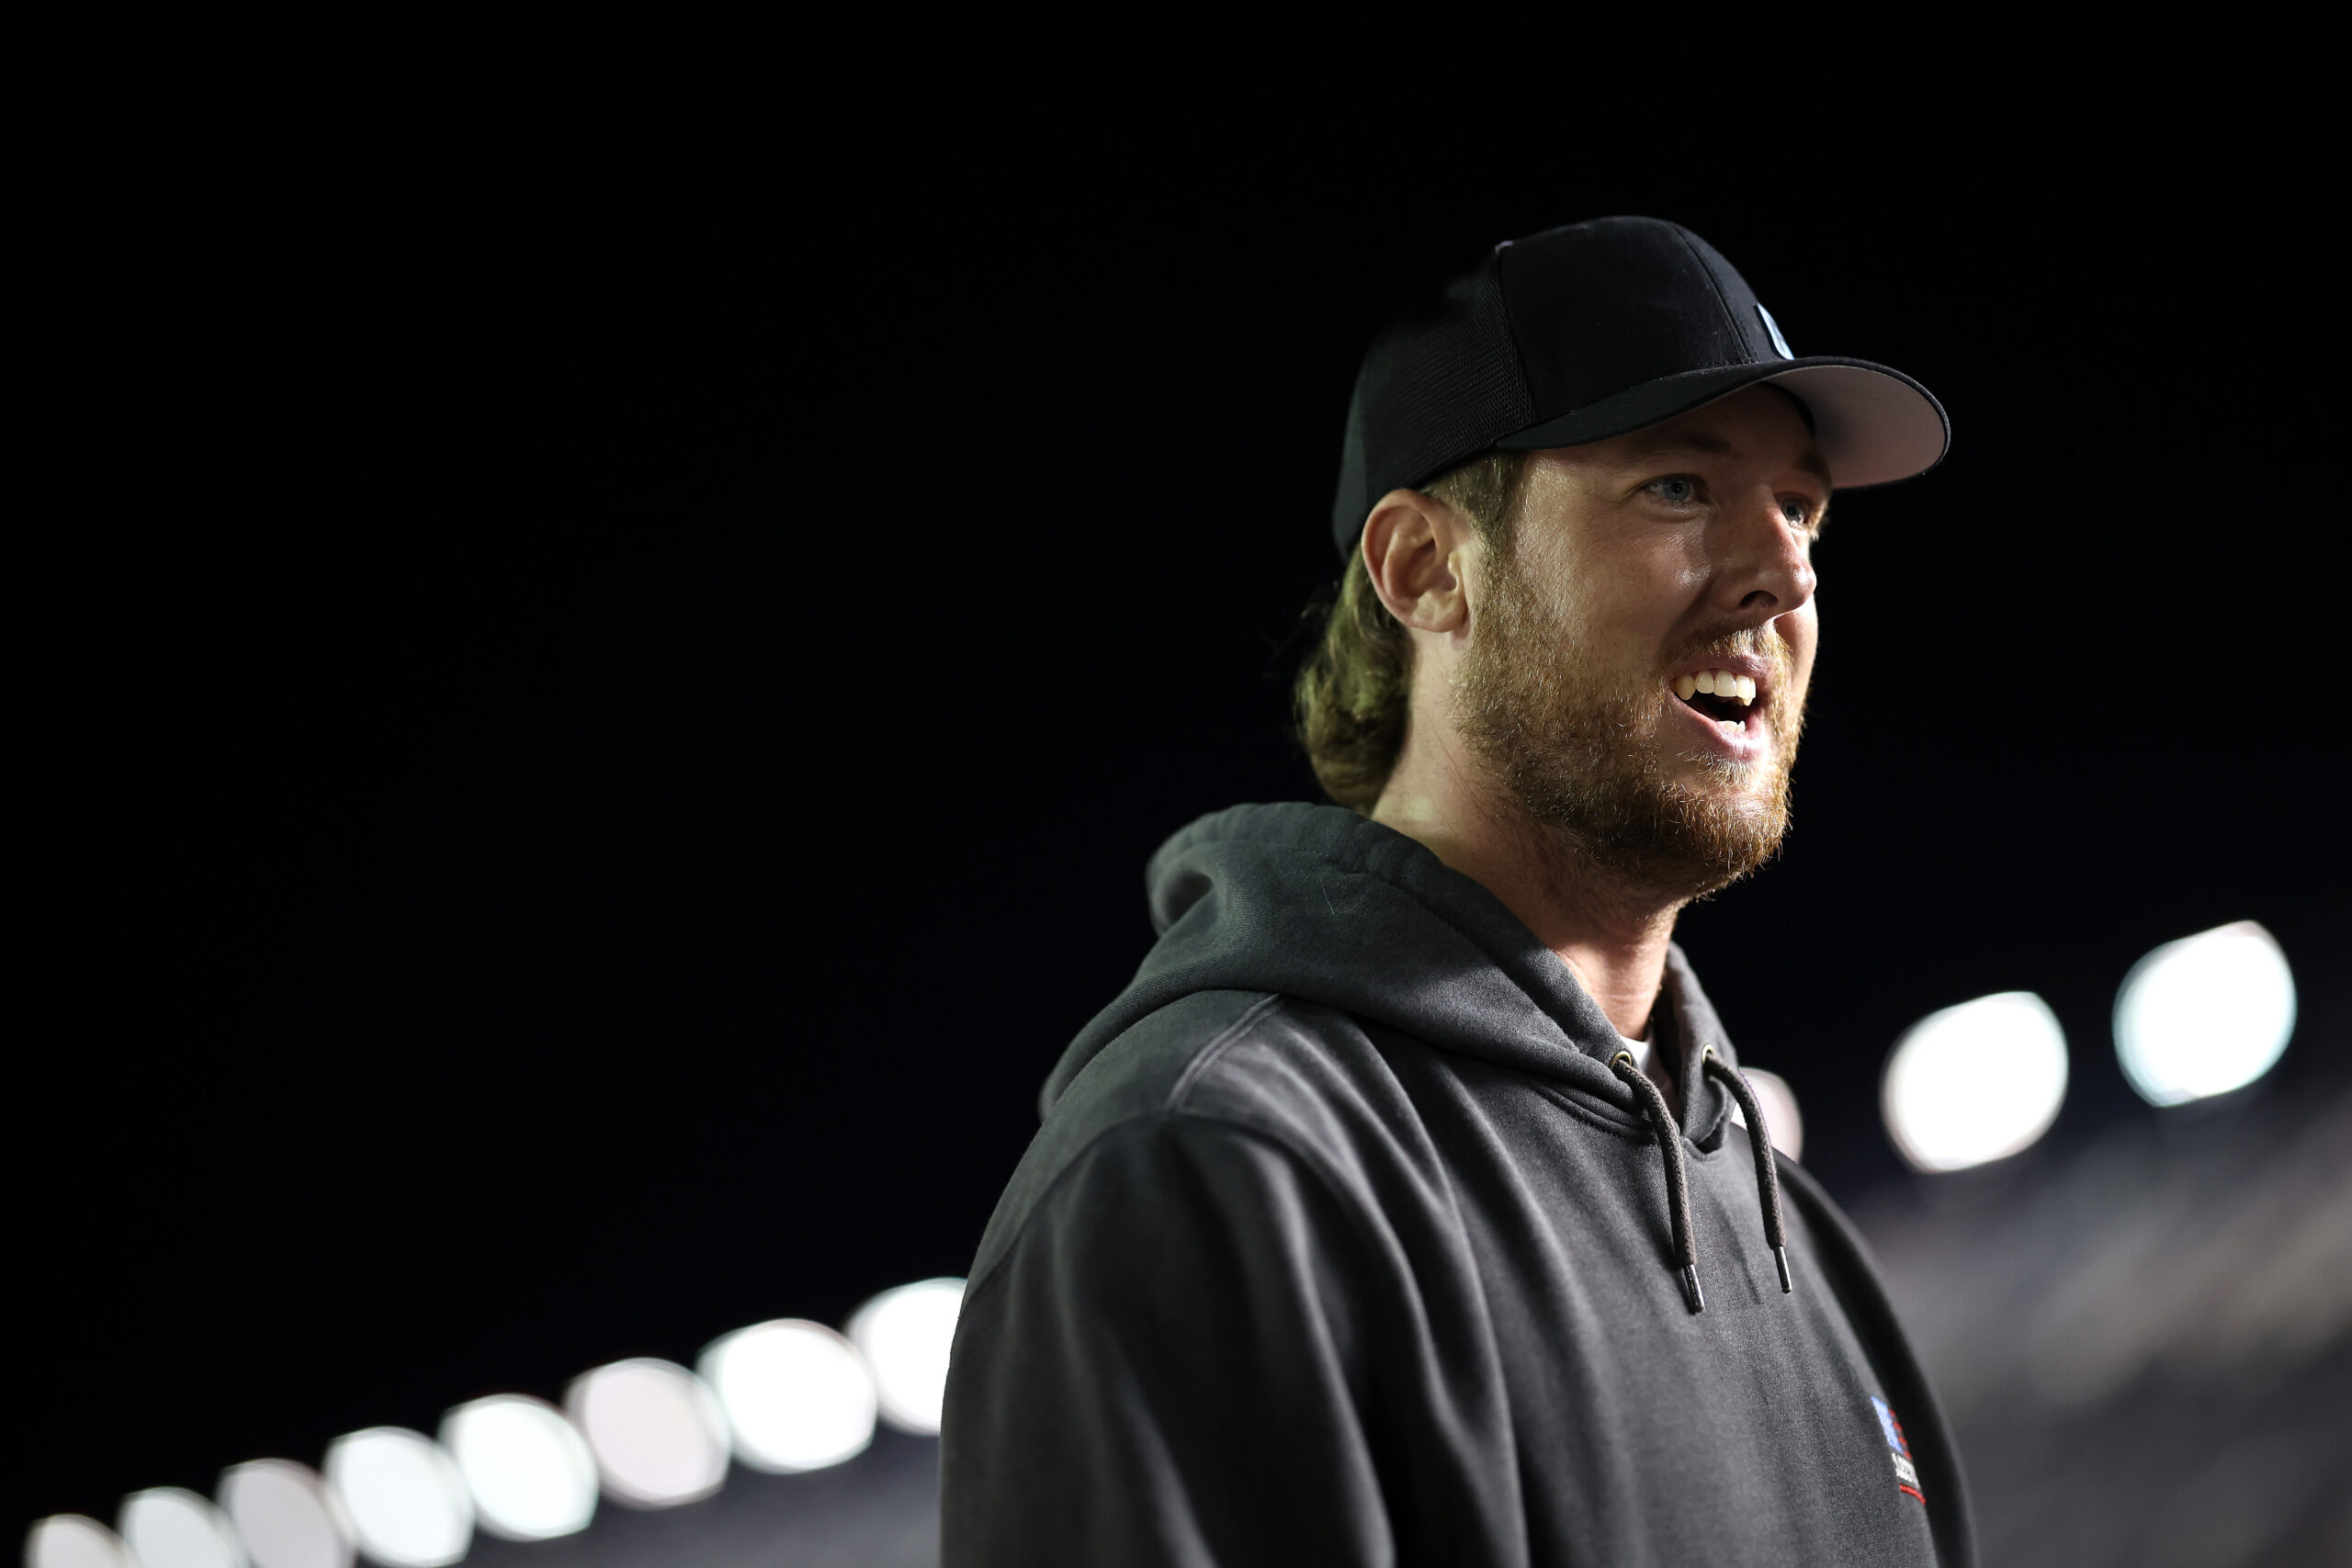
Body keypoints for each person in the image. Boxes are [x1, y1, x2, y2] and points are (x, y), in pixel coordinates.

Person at [940, 216, 1973, 1566]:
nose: (1784, 572)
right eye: (1676, 487)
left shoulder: (1807, 1247)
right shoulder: (1211, 1171)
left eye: (1803, 508)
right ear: (1427, 571)